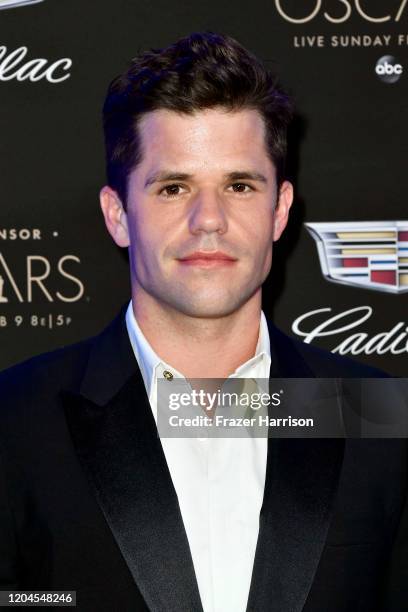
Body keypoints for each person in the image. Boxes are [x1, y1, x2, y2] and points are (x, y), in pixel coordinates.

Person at [0, 31, 406, 612]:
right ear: (118, 216)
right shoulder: (15, 420)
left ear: (280, 209)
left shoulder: (375, 413)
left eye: (239, 185)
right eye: (173, 187)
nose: (208, 220)